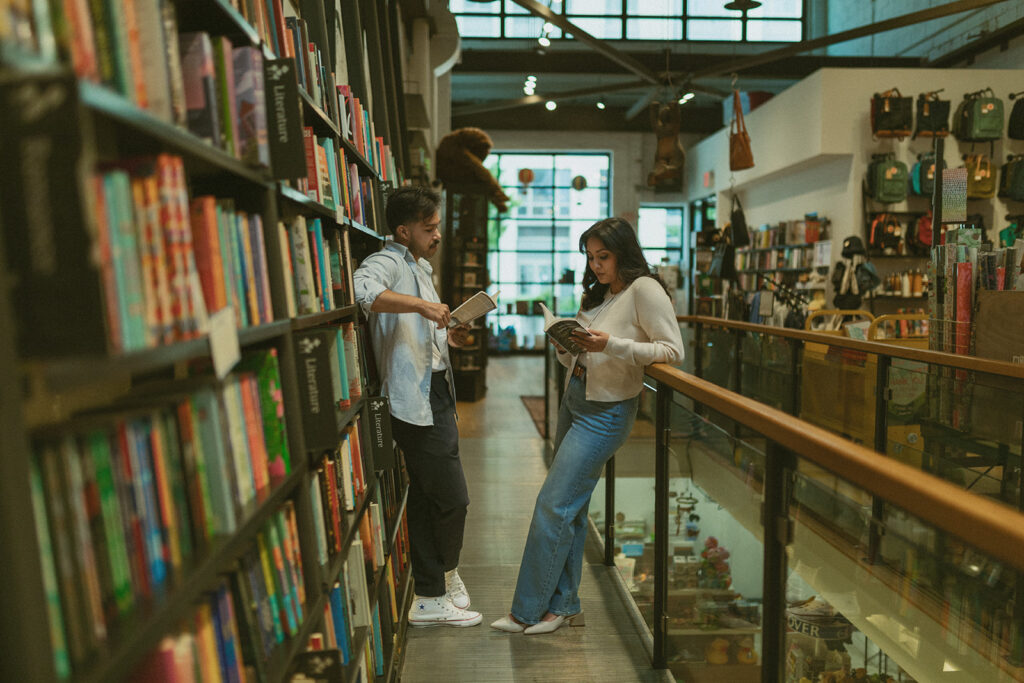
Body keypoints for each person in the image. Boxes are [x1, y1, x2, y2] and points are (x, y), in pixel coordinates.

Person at [491, 216, 684, 634]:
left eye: (604, 256)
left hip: (607, 413)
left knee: (552, 503)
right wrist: (567, 346)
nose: (596, 265)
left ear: (623, 253)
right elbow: (583, 354)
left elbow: (671, 350)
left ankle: (525, 611)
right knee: (572, 510)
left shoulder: (644, 289)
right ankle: (565, 606)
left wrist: (608, 344)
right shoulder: (598, 292)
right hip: (575, 399)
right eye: (591, 257)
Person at [353, 186, 481, 628]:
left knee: (430, 497)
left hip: (437, 391)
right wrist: (423, 306)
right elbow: (363, 290)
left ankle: (430, 594)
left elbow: (422, 336)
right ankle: (443, 574)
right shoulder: (387, 261)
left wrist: (451, 337)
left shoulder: (419, 266)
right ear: (404, 231)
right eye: (429, 229)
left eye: (437, 226)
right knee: (453, 499)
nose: (438, 235)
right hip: (414, 399)